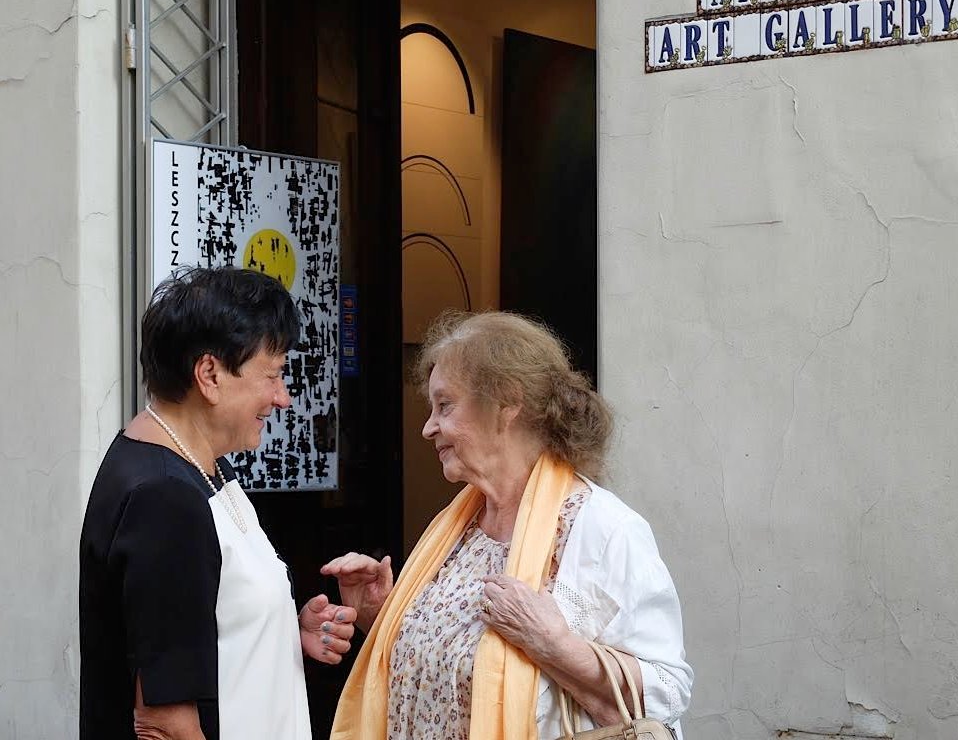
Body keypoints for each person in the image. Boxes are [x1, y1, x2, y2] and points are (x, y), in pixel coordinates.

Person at [323, 311, 693, 740]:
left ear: (506, 403)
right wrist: (382, 617)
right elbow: (442, 673)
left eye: (445, 405)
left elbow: (668, 692)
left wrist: (555, 646)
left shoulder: (604, 530)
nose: (427, 428)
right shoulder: (457, 528)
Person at [79, 266, 357, 740]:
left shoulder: (199, 467)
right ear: (210, 374)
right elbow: (165, 722)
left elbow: (198, 624)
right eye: (273, 375)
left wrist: (282, 631)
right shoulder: (164, 497)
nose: (283, 398)